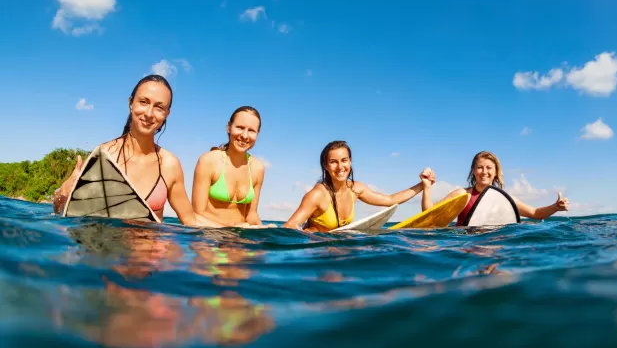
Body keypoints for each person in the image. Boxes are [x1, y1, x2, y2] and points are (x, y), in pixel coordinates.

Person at [52, 74, 214, 227]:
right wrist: (63, 193)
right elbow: (64, 213)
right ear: (131, 103)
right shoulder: (105, 155)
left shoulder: (169, 164)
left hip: (152, 254)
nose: (149, 113)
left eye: (159, 107)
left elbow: (190, 220)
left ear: (167, 113)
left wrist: (234, 229)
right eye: (143, 102)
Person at [282, 140, 436, 232]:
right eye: (333, 162)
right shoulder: (317, 195)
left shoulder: (355, 189)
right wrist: (310, 235)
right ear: (326, 166)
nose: (340, 166)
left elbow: (390, 199)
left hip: (341, 248)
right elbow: (290, 226)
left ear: (350, 161)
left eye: (344, 160)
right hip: (317, 251)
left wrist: (422, 185)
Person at [421, 150, 569, 226]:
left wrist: (555, 207)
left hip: (496, 244)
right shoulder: (462, 195)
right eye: (479, 167)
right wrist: (427, 187)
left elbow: (535, 213)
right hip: (465, 245)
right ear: (473, 170)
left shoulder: (504, 199)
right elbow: (429, 215)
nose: (484, 172)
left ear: (496, 171)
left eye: (489, 168)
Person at [191, 106, 268, 227]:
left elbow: (251, 214)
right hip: (209, 237)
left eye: (251, 130)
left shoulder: (257, 168)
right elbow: (197, 212)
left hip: (239, 240)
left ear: (257, 133)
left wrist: (265, 230)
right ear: (229, 127)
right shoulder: (209, 161)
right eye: (240, 128)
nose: (245, 135)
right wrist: (231, 227)